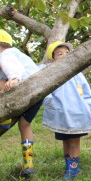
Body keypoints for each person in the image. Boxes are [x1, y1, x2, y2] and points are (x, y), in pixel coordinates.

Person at [42, 41, 91, 180]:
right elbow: (44, 92)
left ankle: (72, 171)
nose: (64, 55)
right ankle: (71, 167)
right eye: (60, 54)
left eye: (67, 53)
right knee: (65, 142)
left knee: (74, 142)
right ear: (52, 59)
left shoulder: (77, 74)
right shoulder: (51, 74)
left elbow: (86, 92)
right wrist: (49, 104)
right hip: (61, 115)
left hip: (77, 114)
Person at [0, 29, 42, 175]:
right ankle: (28, 165)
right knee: (25, 125)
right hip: (38, 94)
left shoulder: (5, 55)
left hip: (23, 90)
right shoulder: (17, 53)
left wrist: (14, 78)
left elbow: (13, 68)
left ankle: (5, 118)